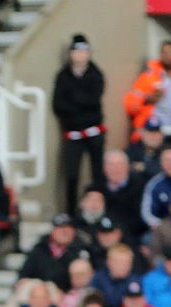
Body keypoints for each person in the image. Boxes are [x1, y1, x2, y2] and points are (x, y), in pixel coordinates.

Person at [52, 33, 106, 214]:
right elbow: (58, 104)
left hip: (93, 131)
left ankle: (100, 208)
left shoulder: (95, 74)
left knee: (98, 173)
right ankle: (71, 212)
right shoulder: (63, 76)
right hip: (73, 132)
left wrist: (74, 100)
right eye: (76, 51)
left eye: (84, 51)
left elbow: (93, 100)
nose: (80, 55)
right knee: (72, 175)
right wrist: (78, 103)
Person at [123, 40, 171, 138]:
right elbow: (131, 103)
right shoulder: (149, 75)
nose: (167, 55)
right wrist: (148, 99)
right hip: (154, 127)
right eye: (164, 52)